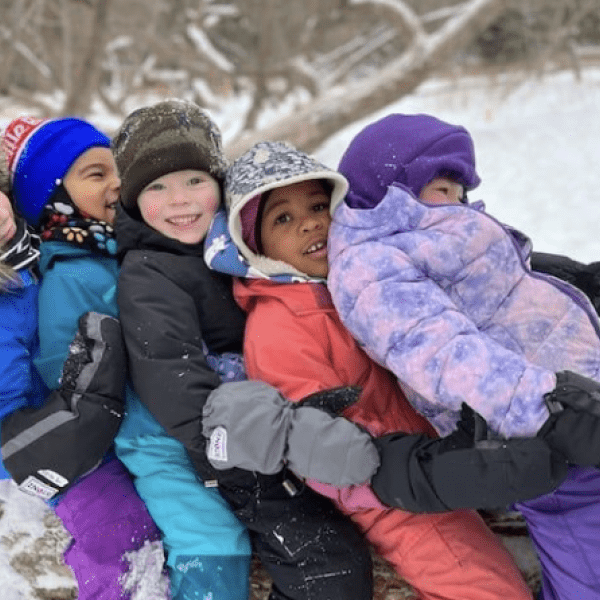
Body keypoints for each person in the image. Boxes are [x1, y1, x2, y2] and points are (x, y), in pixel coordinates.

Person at [203, 139, 557, 600]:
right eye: (282, 218)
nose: (310, 222)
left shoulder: (357, 278)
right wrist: (397, 472)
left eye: (317, 205)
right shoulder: (278, 325)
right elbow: (318, 447)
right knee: (485, 588)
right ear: (254, 246)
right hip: (389, 493)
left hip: (444, 458)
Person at [326, 112, 600, 600]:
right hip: (541, 437)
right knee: (587, 546)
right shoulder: (371, 268)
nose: (455, 204)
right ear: (389, 188)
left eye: (459, 192)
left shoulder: (427, 235)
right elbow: (447, 355)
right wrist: (550, 410)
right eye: (440, 189)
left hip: (578, 399)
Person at [111, 99, 377, 600]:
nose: (180, 200)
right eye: (157, 187)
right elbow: (176, 385)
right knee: (327, 558)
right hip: (234, 452)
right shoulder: (148, 274)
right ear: (132, 202)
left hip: (285, 422)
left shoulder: (236, 248)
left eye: (194, 181)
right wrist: (268, 448)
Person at [0, 115, 165, 600]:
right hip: (47, 446)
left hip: (106, 414)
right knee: (120, 533)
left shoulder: (54, 244)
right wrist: (55, 439)